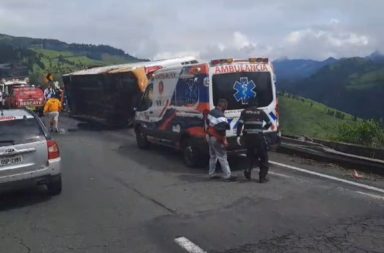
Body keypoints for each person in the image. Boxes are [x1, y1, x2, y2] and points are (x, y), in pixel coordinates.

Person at [236, 101, 272, 183]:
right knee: (264, 158)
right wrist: (263, 129)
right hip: (259, 138)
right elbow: (269, 123)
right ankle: (262, 178)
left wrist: (238, 135)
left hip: (248, 138)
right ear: (257, 105)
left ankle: (247, 171)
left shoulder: (244, 112)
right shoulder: (261, 112)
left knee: (250, 155)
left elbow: (240, 124)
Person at [206, 98, 236, 181]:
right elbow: (222, 130)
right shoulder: (221, 116)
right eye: (226, 106)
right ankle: (227, 175)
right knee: (222, 156)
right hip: (216, 138)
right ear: (224, 106)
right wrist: (224, 141)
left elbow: (207, 123)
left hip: (209, 136)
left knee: (212, 156)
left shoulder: (211, 112)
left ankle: (211, 174)